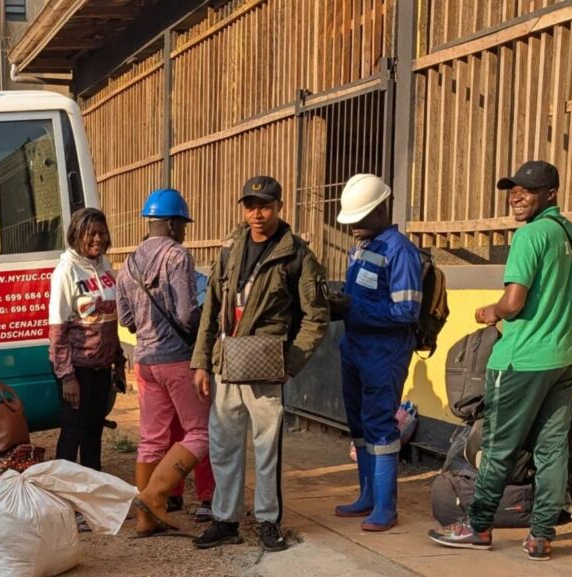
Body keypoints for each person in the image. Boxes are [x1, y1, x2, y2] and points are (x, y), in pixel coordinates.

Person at [428, 160, 572, 561]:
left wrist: (491, 312)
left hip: (523, 360)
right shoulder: (571, 234)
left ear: (550, 193)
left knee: (498, 445)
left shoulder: (531, 235)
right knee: (552, 449)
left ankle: (478, 526)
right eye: (513, 189)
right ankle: (540, 536)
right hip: (565, 354)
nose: (516, 196)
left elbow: (514, 303)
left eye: (527, 190)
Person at [191, 176, 329, 552]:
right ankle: (226, 520)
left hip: (267, 365)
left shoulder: (296, 254)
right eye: (250, 206)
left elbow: (315, 317)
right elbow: (212, 309)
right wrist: (202, 362)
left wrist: (291, 361)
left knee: (267, 448)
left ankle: (268, 521)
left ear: (280, 207)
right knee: (223, 446)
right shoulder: (230, 249)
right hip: (227, 362)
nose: (257, 214)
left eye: (265, 206)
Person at [114, 188, 211, 535]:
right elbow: (186, 314)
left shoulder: (127, 262)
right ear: (170, 223)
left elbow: (124, 317)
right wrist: (207, 324)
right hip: (176, 358)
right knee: (200, 432)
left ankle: (145, 520)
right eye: (182, 224)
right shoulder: (177, 256)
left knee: (151, 438)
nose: (184, 230)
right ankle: (154, 496)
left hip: (144, 360)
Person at [330, 174, 422, 532]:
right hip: (355, 348)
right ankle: (366, 495)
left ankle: (386, 506)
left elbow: (406, 312)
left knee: (381, 426)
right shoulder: (361, 246)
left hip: (384, 353)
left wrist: (352, 308)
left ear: (382, 209)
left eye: (360, 219)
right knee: (359, 424)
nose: (353, 227)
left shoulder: (399, 251)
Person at [49, 207, 127, 477]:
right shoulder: (65, 271)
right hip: (77, 368)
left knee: (94, 433)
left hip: (101, 367)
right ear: (76, 235)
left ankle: (92, 496)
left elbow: (111, 322)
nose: (98, 239)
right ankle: (63, 498)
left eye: (102, 233)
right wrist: (67, 376)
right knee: (73, 433)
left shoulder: (105, 267)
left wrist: (118, 363)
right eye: (91, 234)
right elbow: (57, 330)